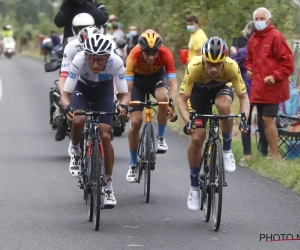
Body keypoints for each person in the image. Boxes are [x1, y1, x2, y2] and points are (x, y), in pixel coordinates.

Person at [177, 36, 250, 211]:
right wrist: (188, 122)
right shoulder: (194, 66)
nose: (214, 68)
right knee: (197, 138)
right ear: (203, 59)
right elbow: (182, 99)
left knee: (223, 104)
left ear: (225, 61)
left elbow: (244, 97)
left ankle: (227, 150)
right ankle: (194, 187)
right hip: (198, 95)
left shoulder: (232, 66)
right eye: (210, 64)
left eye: (218, 64)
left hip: (221, 89)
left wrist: (245, 120)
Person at [60, 33, 129, 207]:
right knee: (78, 119)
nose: (95, 64)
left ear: (108, 57)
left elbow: (124, 94)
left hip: (104, 91)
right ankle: (75, 148)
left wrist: (123, 106)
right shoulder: (78, 60)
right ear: (85, 56)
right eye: (91, 59)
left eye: (100, 60)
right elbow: (65, 95)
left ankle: (109, 186)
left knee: (105, 135)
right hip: (82, 88)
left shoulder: (117, 62)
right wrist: (68, 107)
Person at [125, 29, 178, 183]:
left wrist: (171, 103)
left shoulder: (166, 54)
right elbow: (128, 87)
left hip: (157, 78)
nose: (151, 56)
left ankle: (161, 137)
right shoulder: (133, 55)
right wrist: (127, 105)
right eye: (147, 52)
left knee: (163, 98)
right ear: (141, 50)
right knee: (135, 122)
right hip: (138, 83)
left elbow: (173, 84)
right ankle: (133, 164)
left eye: (154, 52)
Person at [246, 7, 294, 159]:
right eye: (257, 19)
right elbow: (250, 60)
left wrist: (275, 76)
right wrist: (249, 69)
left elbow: (288, 62)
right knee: (262, 120)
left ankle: (274, 156)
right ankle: (268, 154)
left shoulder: (276, 37)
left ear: (269, 20)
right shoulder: (253, 39)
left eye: (262, 19)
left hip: (274, 87)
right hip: (258, 87)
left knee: (268, 119)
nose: (259, 22)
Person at [230, 21, 268, 160]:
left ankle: (247, 155)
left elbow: (231, 64)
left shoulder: (243, 51)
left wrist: (234, 52)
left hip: (248, 93)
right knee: (263, 123)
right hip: (263, 91)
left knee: (245, 122)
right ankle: (264, 154)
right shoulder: (265, 49)